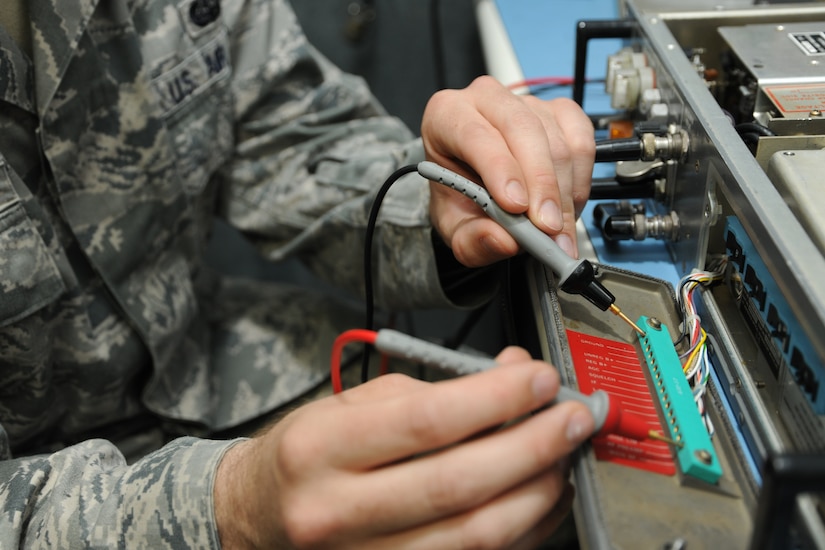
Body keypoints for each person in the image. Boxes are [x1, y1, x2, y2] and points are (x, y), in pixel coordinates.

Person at [0, 0, 596, 547]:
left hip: (207, 368)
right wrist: (229, 509)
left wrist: (442, 203)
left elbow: (289, 135)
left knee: (555, 476)